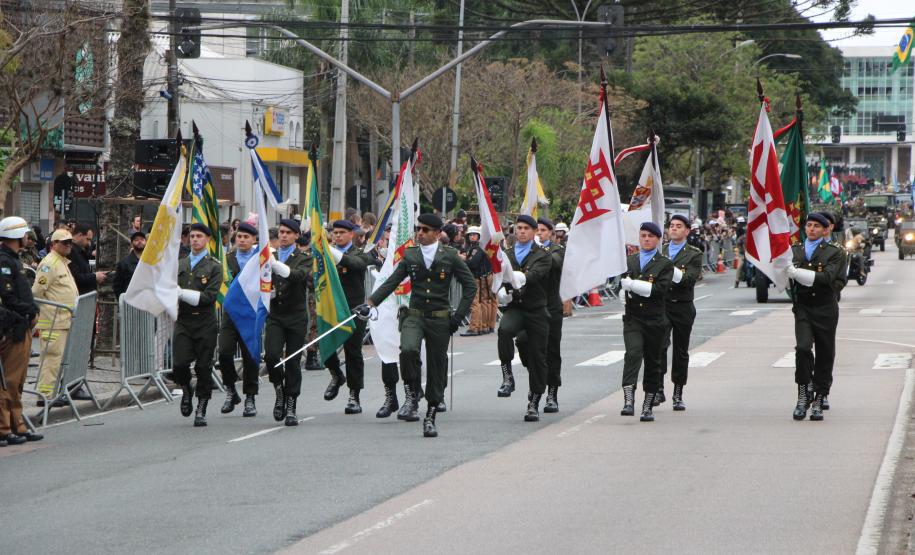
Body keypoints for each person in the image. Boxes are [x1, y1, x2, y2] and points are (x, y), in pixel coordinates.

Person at [360, 213, 476, 437]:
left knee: (436, 366)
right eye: (418, 229)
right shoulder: (411, 254)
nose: (419, 233)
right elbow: (392, 282)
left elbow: (470, 286)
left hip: (439, 318)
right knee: (408, 350)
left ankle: (430, 415)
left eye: (425, 230)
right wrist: (370, 303)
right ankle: (413, 391)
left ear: (437, 233)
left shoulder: (450, 256)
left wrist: (458, 317)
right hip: (414, 314)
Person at [494, 214, 553, 422]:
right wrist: (501, 291)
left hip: (536, 310)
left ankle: (534, 402)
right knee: (504, 330)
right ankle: (507, 376)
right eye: (518, 228)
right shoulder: (507, 254)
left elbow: (534, 275)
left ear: (534, 232)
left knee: (537, 357)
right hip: (516, 307)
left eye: (526, 228)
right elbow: (499, 277)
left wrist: (516, 278)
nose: (521, 231)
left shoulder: (542, 255)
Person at [787, 213, 845, 421]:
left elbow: (828, 278)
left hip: (825, 307)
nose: (811, 229)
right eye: (809, 225)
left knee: (824, 353)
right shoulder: (795, 250)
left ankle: (819, 397)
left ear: (825, 230)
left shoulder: (835, 252)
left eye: (816, 226)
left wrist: (796, 273)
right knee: (802, 348)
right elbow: (783, 274)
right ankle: (803, 394)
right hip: (803, 306)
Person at [619, 222, 674, 422]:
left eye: (651, 236)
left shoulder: (665, 264)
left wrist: (633, 285)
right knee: (633, 353)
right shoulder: (630, 261)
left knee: (653, 361)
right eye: (643, 235)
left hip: (654, 320)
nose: (647, 239)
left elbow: (659, 290)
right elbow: (622, 284)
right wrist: (622, 291)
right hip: (633, 317)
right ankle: (628, 399)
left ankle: (647, 406)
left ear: (658, 239)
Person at [172, 224, 223, 426]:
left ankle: (202, 407)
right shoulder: (180, 264)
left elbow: (209, 296)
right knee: (179, 364)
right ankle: (186, 388)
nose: (194, 239)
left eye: (199, 236)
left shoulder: (214, 266)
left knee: (203, 367)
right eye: (192, 236)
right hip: (184, 321)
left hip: (204, 322)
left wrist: (182, 293)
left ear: (207, 239)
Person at [323, 220, 374, 414]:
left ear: (351, 234)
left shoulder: (359, 253)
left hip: (353, 309)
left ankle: (354, 395)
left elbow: (355, 264)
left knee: (353, 351)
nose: (337, 236)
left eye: (342, 232)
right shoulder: (325, 254)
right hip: (331, 308)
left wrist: (330, 251)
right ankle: (337, 374)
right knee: (325, 346)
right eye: (335, 233)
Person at [264, 219, 311, 426]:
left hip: (296, 316)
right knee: (272, 355)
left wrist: (276, 266)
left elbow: (299, 276)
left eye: (288, 233)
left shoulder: (303, 257)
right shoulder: (270, 256)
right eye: (281, 232)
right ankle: (279, 389)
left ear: (296, 236)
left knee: (292, 360)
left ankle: (291, 404)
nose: (283, 235)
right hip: (276, 314)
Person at [0, 216, 43, 445]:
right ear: (16, 236)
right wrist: (30, 310)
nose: (28, 237)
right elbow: (8, 297)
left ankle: (17, 425)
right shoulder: (4, 262)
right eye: (25, 234)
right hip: (11, 327)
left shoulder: (13, 260)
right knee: (8, 380)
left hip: (20, 326)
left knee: (17, 382)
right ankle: (4, 428)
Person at [659, 215, 703, 411]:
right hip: (662, 305)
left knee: (680, 351)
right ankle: (658, 387)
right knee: (659, 347)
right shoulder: (661, 251)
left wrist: (669, 267)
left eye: (679, 226)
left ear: (687, 230)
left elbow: (689, 280)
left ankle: (678, 392)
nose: (674, 229)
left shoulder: (694, 254)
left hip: (682, 306)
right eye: (671, 226)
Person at [217, 222, 261, 417]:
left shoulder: (259, 259)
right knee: (224, 353)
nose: (242, 240)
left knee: (250, 356)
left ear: (254, 240)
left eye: (246, 237)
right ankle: (231, 389)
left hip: (251, 314)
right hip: (231, 314)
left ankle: (250, 397)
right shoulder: (227, 259)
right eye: (239, 237)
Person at [32, 229, 79, 401]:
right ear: (54, 244)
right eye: (64, 242)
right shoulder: (49, 264)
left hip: (62, 321)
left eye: (70, 242)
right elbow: (37, 292)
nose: (68, 245)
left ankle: (52, 395)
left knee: (57, 360)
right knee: (51, 360)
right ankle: (45, 397)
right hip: (53, 322)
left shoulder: (61, 262)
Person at [534, 218, 565, 412]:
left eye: (543, 230)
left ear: (551, 233)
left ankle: (552, 392)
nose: (539, 233)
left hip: (551, 306)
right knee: (529, 348)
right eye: (536, 230)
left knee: (552, 350)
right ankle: (536, 386)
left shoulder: (557, 250)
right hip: (531, 307)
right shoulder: (527, 250)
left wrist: (538, 249)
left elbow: (554, 263)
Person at [460, 226, 493, 336]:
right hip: (482, 276)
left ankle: (474, 328)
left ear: (479, 236)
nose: (472, 236)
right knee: (484, 302)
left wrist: (463, 260)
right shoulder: (479, 247)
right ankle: (483, 326)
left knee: (475, 303)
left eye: (474, 234)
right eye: (470, 235)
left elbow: (472, 264)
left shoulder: (477, 248)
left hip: (477, 277)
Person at [68, 223, 106, 295]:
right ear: (80, 235)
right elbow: (76, 277)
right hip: (79, 294)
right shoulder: (71, 251)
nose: (89, 243)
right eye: (87, 239)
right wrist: (94, 276)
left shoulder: (80, 250)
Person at [112, 230, 146, 298]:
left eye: (142, 239)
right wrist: (123, 301)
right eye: (136, 240)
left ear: (146, 242)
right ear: (131, 244)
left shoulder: (151, 262)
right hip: (131, 301)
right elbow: (117, 286)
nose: (139, 241)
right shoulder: (124, 264)